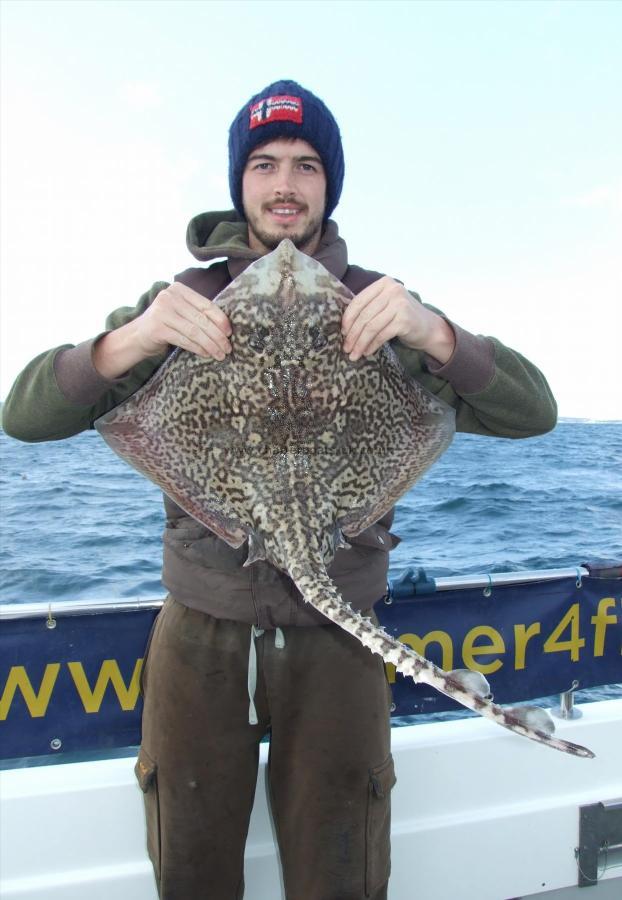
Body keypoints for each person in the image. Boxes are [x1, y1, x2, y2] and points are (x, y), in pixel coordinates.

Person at [2, 80, 557, 900]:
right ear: (241, 184)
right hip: (202, 635)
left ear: (328, 184)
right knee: (190, 871)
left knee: (342, 875)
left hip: (339, 639)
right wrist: (134, 338)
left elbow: (534, 411)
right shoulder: (182, 305)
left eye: (304, 165)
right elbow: (23, 415)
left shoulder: (379, 308)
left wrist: (432, 332)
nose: (284, 184)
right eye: (264, 165)